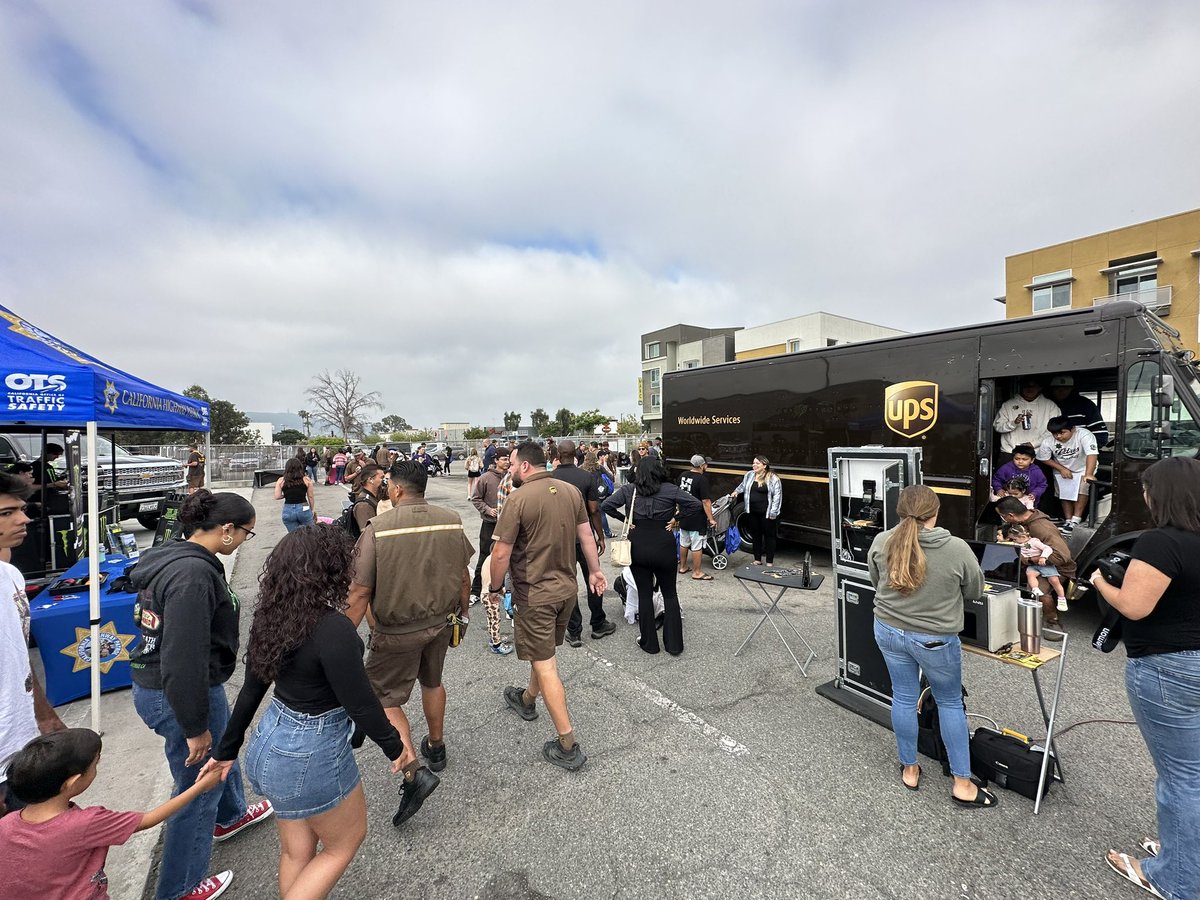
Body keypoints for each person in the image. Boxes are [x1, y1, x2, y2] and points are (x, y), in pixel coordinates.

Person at [202, 526, 406, 899]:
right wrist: (396, 747)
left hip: (271, 741)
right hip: (309, 753)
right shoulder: (335, 628)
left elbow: (252, 688)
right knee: (344, 843)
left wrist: (226, 749)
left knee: (298, 850)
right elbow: (360, 703)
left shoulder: (271, 615)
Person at [129, 490, 272, 900]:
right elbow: (183, 657)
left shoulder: (178, 556)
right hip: (182, 693)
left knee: (219, 756)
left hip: (180, 685)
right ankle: (179, 887)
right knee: (196, 785)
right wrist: (194, 726)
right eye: (246, 532)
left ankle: (230, 815)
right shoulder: (193, 576)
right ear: (226, 530)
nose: (246, 539)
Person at [1088, 457, 1200, 900]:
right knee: (1191, 771)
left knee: (1179, 778)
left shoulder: (1159, 541)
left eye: (1149, 490)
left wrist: (1100, 581)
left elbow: (1133, 606)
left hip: (1166, 668)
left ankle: (1174, 879)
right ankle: (1182, 855)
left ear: (1162, 495)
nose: (1146, 499)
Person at [346, 460, 473, 827]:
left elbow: (359, 591)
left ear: (397, 489)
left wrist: (340, 635)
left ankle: (413, 771)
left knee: (381, 696)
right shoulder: (450, 519)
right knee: (432, 682)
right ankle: (437, 745)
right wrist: (462, 618)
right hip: (440, 623)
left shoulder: (378, 528)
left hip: (396, 630)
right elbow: (463, 576)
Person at [868, 485, 996, 808]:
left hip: (888, 629)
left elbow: (875, 580)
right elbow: (974, 590)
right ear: (936, 513)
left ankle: (910, 768)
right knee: (950, 703)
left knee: (904, 696)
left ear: (900, 512)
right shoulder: (956, 548)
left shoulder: (882, 541)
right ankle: (962, 783)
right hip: (935, 639)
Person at [488, 442, 607, 770]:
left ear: (525, 466)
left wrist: (495, 588)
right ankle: (526, 699)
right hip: (567, 591)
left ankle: (567, 744)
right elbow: (586, 535)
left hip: (535, 596)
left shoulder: (518, 498)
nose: (510, 469)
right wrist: (596, 571)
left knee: (546, 664)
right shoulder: (570, 491)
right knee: (544, 657)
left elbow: (500, 553)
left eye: (512, 464)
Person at [0, 729, 222, 899]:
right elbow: (148, 819)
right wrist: (201, 786)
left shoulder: (8, 823)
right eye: (96, 764)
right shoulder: (86, 823)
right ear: (74, 781)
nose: (97, 767)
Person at [0, 472, 66, 818]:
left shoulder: (10, 574)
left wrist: (45, 716)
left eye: (21, 509)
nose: (24, 519)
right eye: (6, 513)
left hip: (23, 749)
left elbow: (17, 659)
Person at [603, 457, 702, 656]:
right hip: (663, 543)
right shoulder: (670, 489)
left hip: (638, 543)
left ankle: (649, 642)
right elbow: (696, 505)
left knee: (644, 593)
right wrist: (676, 519)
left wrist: (626, 519)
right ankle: (674, 644)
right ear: (659, 470)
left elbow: (605, 505)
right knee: (670, 593)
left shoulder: (629, 490)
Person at [550, 440, 614, 647]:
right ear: (576, 455)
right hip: (584, 536)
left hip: (561, 539)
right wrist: (600, 536)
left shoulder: (551, 478)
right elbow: (594, 509)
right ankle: (598, 623)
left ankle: (574, 630)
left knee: (569, 582)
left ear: (558, 455)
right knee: (593, 577)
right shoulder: (585, 476)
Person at [995, 496, 1074, 638]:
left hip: (1055, 568)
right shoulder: (1022, 522)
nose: (1003, 519)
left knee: (1040, 592)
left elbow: (1062, 557)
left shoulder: (1041, 528)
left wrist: (1029, 560)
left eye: (1003, 516)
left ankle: (1052, 620)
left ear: (1011, 515)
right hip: (1030, 564)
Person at [470, 452, 513, 654]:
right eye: (503, 459)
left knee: (505, 560)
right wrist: (488, 509)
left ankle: (504, 593)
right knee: (485, 560)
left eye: (508, 459)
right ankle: (476, 591)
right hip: (489, 525)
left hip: (507, 526)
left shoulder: (512, 477)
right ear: (496, 460)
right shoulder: (486, 478)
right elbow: (475, 498)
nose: (506, 462)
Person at [1037, 416, 1099, 529]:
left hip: (1083, 467)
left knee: (1082, 489)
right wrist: (1061, 469)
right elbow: (1043, 458)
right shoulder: (1048, 441)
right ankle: (1068, 520)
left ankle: (1076, 519)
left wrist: (1089, 474)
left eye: (1062, 432)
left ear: (1073, 429)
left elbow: (1092, 454)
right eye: (1055, 434)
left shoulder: (1084, 435)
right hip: (1062, 467)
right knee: (1065, 493)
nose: (1058, 436)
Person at [728, 455, 782, 565]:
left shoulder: (773, 478)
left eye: (757, 463)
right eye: (753, 463)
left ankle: (769, 561)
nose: (754, 465)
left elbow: (777, 496)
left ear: (764, 465)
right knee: (756, 535)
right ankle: (757, 559)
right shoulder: (749, 475)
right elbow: (742, 486)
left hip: (767, 513)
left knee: (769, 536)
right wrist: (736, 492)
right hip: (752, 511)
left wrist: (774, 512)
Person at [993, 377, 1061, 461]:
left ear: (1040, 387)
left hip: (1039, 453)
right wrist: (1013, 423)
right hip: (1010, 452)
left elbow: (1055, 430)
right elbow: (997, 426)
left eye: (1033, 386)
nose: (1030, 389)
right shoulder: (1008, 405)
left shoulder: (1050, 405)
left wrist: (1034, 444)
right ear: (1021, 387)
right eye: (1027, 386)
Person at [1006, 523, 1067, 609]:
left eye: (1014, 539)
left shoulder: (1034, 542)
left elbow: (1048, 548)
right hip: (1034, 565)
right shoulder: (1020, 544)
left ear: (1022, 537)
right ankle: (1035, 589)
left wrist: (1043, 557)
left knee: (1054, 580)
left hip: (1044, 565)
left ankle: (1062, 599)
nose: (1013, 541)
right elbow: (1022, 547)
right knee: (1030, 574)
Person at [678, 455, 718, 581]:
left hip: (683, 515)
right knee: (697, 545)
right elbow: (705, 501)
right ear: (701, 466)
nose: (707, 466)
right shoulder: (702, 479)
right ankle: (697, 572)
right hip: (697, 517)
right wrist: (711, 518)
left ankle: (683, 567)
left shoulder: (682, 475)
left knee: (684, 543)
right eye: (706, 464)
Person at [1048, 375, 1109, 449]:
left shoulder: (1086, 404)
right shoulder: (1047, 405)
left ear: (1072, 389)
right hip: (1053, 452)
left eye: (1066, 388)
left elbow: (1100, 435)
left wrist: (1084, 450)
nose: (1061, 391)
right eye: (1057, 388)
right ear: (1051, 389)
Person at [274, 458, 316, 533]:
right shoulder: (306, 480)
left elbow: (277, 496)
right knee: (309, 535)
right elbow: (310, 497)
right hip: (304, 506)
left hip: (288, 509)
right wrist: (312, 509)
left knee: (294, 537)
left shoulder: (281, 480)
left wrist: (286, 495)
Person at [582, 451, 614, 539]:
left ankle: (591, 534)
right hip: (598, 492)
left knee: (587, 515)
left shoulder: (581, 468)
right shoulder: (599, 467)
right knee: (601, 513)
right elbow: (610, 477)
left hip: (586, 493)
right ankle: (607, 532)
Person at [346, 463, 385, 535]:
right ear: (371, 480)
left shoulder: (373, 498)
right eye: (381, 478)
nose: (384, 481)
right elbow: (368, 534)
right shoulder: (363, 505)